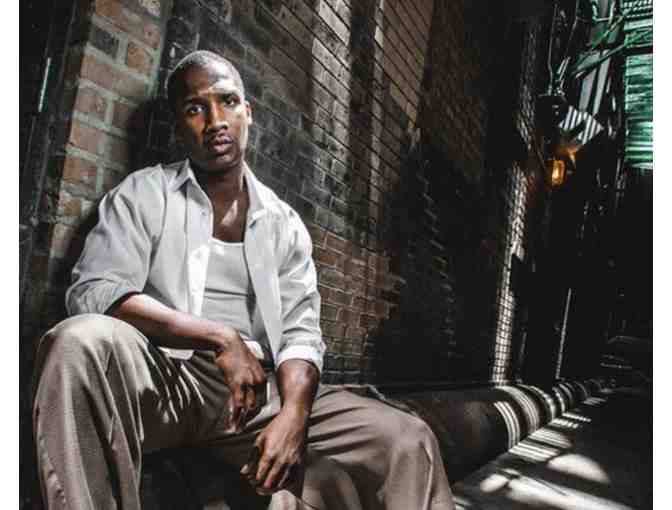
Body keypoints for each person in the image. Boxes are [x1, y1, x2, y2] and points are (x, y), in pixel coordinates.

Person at [32, 50, 455, 510]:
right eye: (195, 108)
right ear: (179, 128)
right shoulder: (144, 193)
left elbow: (299, 335)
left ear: (248, 112)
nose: (216, 121)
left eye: (228, 101)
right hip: (163, 378)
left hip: (256, 394)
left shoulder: (283, 223)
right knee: (75, 342)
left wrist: (295, 414)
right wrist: (220, 338)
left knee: (407, 438)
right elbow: (95, 292)